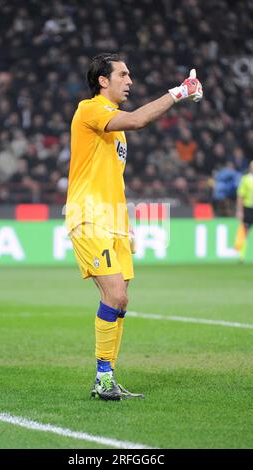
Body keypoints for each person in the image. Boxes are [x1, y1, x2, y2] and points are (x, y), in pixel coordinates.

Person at [65, 53, 203, 400]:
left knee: (121, 301)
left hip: (114, 220)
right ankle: (102, 377)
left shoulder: (116, 132)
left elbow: (112, 179)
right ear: (103, 81)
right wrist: (180, 91)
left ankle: (108, 377)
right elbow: (140, 120)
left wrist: (126, 224)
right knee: (115, 293)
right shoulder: (90, 109)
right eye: (123, 75)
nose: (130, 81)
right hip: (89, 216)